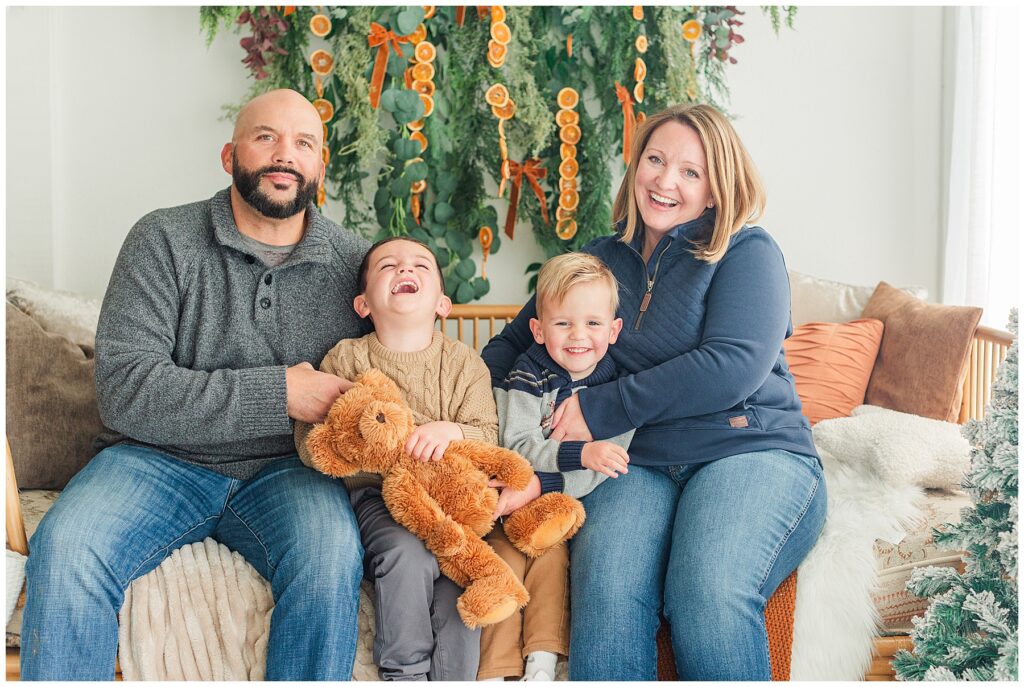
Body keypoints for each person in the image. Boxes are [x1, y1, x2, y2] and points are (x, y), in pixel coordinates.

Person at [21, 89, 371, 680]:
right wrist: (279, 393)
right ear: (229, 155)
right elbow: (127, 390)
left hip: (291, 470)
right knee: (66, 549)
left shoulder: (356, 264)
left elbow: (404, 375)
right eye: (266, 137)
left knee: (331, 558)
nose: (285, 155)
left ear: (320, 164)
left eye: (303, 143)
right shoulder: (162, 239)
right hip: (155, 461)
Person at [481, 103, 828, 681]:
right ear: (635, 166)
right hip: (634, 460)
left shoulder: (747, 251)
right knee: (607, 600)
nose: (666, 181)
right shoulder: (598, 259)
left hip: (749, 450)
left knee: (706, 595)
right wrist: (454, 414)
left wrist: (597, 407)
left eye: (690, 172)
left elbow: (732, 366)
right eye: (656, 160)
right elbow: (515, 344)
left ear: (718, 187)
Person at [294, 236, 495, 681]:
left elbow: (489, 437)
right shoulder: (346, 357)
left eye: (421, 265)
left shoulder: (464, 364)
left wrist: (452, 431)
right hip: (379, 500)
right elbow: (310, 441)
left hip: (450, 507)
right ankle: (403, 672)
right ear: (363, 304)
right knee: (409, 556)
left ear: (442, 302)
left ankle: (454, 677)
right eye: (388, 265)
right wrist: (357, 445)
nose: (406, 270)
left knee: (461, 576)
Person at [478, 252, 634, 681]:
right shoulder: (526, 374)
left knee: (552, 563)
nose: (578, 336)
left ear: (614, 330)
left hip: (557, 503)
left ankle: (542, 664)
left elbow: (606, 466)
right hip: (509, 494)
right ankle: (493, 669)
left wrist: (548, 482)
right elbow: (520, 445)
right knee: (501, 563)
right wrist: (580, 453)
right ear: (538, 329)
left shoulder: (617, 387)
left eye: (593, 324)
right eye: (563, 323)